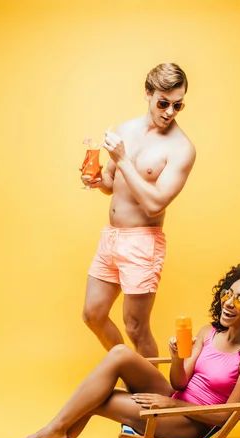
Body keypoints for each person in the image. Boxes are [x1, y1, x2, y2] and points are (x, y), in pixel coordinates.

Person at [0, 264, 240, 438]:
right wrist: (175, 358)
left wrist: (168, 406)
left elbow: (228, 416)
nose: (229, 303)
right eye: (228, 294)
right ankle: (47, 437)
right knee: (119, 352)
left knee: (97, 400)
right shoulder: (208, 333)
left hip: (192, 422)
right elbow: (179, 384)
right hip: (177, 400)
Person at [81, 63, 196, 357]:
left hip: (142, 242)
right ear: (148, 92)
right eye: (163, 103)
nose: (170, 112)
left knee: (135, 327)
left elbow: (155, 202)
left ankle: (154, 395)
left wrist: (122, 160)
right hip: (111, 237)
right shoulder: (125, 129)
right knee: (93, 314)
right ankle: (133, 374)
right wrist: (96, 180)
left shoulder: (181, 148)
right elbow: (111, 183)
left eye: (177, 105)